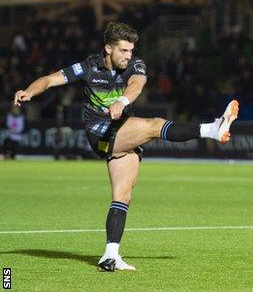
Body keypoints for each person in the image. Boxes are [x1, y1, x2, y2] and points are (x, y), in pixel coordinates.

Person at [13, 22, 239, 272]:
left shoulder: (135, 64)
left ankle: (110, 256)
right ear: (108, 49)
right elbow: (49, 80)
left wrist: (122, 100)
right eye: (123, 51)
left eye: (131, 50)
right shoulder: (88, 66)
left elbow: (137, 84)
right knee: (154, 126)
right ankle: (211, 130)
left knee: (122, 197)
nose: (128, 56)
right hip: (99, 131)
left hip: (123, 133)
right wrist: (29, 91)